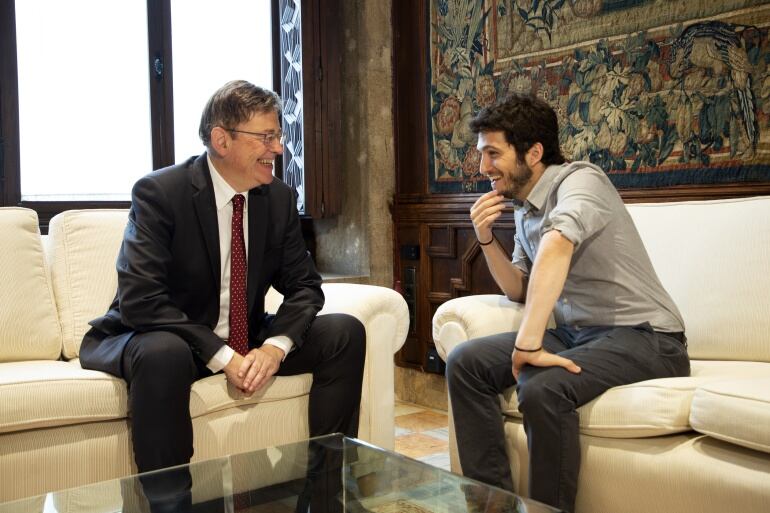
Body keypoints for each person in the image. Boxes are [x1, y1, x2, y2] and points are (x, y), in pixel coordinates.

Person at [80, 80, 365, 510]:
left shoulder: (278, 200)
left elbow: (304, 286)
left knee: (344, 332)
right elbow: (141, 299)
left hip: (242, 337)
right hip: (163, 338)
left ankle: (325, 498)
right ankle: (171, 506)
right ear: (221, 139)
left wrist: (273, 347)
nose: (279, 149)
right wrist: (223, 356)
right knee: (164, 353)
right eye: (266, 137)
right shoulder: (160, 194)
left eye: (278, 136)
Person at [446, 94, 690, 513]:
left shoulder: (581, 180)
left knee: (543, 386)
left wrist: (528, 343)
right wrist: (485, 239)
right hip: (579, 335)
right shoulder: (524, 209)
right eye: (481, 154)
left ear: (534, 152)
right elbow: (519, 288)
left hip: (649, 339)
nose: (483, 167)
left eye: (493, 153)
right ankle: (493, 506)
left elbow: (559, 242)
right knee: (465, 362)